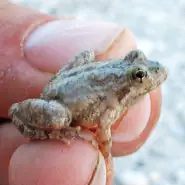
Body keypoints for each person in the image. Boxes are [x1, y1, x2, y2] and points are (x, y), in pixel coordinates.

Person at [0, 1, 162, 185]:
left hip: (66, 83)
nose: (146, 76)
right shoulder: (114, 101)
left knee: (88, 55)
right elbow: (103, 129)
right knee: (60, 119)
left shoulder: (116, 90)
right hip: (59, 103)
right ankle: (48, 134)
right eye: (140, 75)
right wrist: (106, 155)